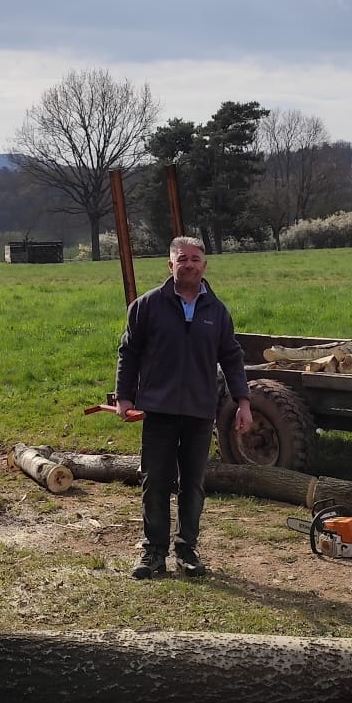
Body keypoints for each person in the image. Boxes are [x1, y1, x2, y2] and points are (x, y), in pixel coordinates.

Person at [114, 237, 253, 579]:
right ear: (170, 265)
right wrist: (124, 396)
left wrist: (243, 402)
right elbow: (128, 353)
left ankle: (187, 550)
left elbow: (232, 358)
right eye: (182, 259)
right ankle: (153, 552)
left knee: (192, 484)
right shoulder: (147, 306)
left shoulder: (217, 312)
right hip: (158, 410)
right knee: (155, 481)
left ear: (204, 266)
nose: (188, 264)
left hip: (199, 411)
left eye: (195, 259)